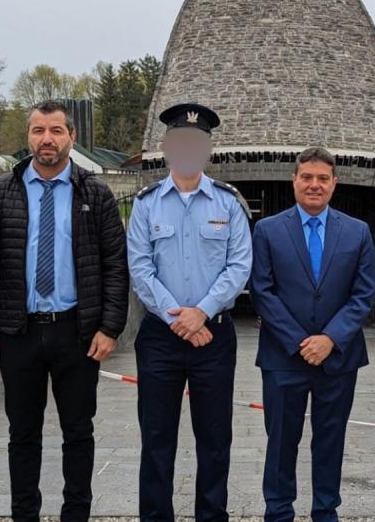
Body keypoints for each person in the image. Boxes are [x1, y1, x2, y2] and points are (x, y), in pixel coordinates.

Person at [0, 100, 130, 521]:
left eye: (56, 131)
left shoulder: (95, 192)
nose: (47, 139)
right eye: (39, 130)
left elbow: (115, 264)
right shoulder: (2, 193)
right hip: (19, 333)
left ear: (72, 138)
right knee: (22, 434)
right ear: (28, 137)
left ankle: (76, 514)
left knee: (78, 432)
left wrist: (110, 326)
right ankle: (26, 514)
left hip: (77, 333)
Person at [126, 102, 252, 522]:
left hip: (213, 337)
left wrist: (202, 312)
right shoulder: (146, 204)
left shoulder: (229, 203)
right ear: (166, 146)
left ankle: (211, 516)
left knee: (215, 440)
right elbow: (140, 268)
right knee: (157, 439)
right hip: (161, 338)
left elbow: (239, 266)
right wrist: (179, 317)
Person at [250, 146, 375, 522]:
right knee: (281, 442)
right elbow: (262, 290)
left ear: (334, 184)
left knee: (330, 441)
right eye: (307, 177)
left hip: (338, 358)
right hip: (283, 357)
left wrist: (330, 339)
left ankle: (325, 510)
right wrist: (299, 341)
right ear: (294, 181)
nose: (314, 185)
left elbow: (364, 292)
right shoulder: (268, 230)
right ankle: (278, 510)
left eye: (323, 178)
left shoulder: (357, 232)